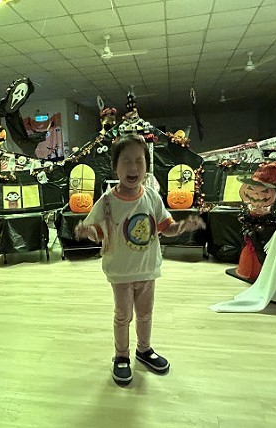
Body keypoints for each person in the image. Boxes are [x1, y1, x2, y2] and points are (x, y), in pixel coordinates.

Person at [75, 134, 205, 386]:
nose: (132, 167)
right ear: (115, 167)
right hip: (121, 272)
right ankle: (121, 356)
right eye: (125, 161)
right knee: (123, 316)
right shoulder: (107, 202)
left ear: (146, 167)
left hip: (147, 270)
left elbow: (166, 227)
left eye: (139, 161)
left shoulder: (152, 197)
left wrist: (183, 227)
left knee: (145, 314)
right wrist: (87, 231)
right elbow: (99, 233)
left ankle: (144, 350)